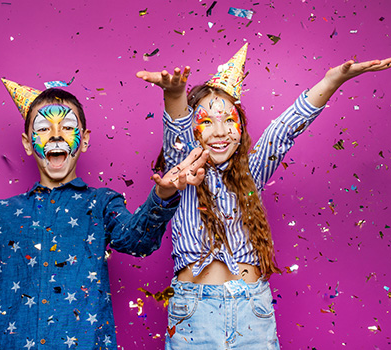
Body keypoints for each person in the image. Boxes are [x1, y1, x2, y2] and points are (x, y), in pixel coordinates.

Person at [0, 79, 209, 350]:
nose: (56, 135)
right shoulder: (4, 215)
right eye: (44, 129)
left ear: (83, 140)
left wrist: (163, 194)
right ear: (29, 144)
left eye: (67, 127)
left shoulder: (100, 204)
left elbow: (138, 240)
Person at [137, 43, 391, 349]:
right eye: (207, 122)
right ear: (193, 131)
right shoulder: (182, 176)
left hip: (252, 312)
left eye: (229, 120)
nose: (220, 131)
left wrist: (332, 81)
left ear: (241, 128)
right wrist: (175, 96)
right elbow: (176, 135)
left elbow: (285, 130)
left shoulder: (252, 172)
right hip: (194, 315)